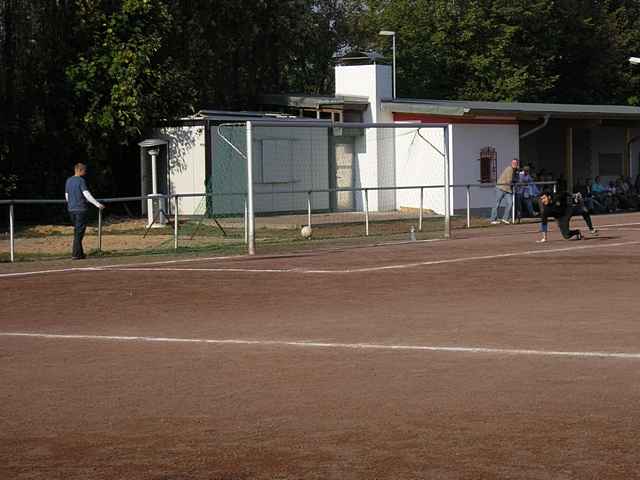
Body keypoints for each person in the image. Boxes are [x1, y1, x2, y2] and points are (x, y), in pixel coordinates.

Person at [65, 163, 105, 259]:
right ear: (80, 170)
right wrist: (97, 204)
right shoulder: (81, 180)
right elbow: (86, 194)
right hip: (80, 209)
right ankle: (76, 254)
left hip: (71, 209)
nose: (85, 173)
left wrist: (71, 203)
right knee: (79, 232)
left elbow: (66, 195)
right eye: (84, 171)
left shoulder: (68, 180)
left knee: (77, 231)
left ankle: (80, 253)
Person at [490, 158, 519, 224]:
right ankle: (493, 219)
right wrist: (515, 182)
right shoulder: (509, 169)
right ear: (511, 163)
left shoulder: (516, 170)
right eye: (513, 163)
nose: (514, 164)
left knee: (510, 203)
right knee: (497, 203)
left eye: (515, 163)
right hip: (500, 188)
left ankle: (505, 218)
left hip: (508, 190)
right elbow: (509, 180)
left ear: (517, 164)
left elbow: (516, 179)